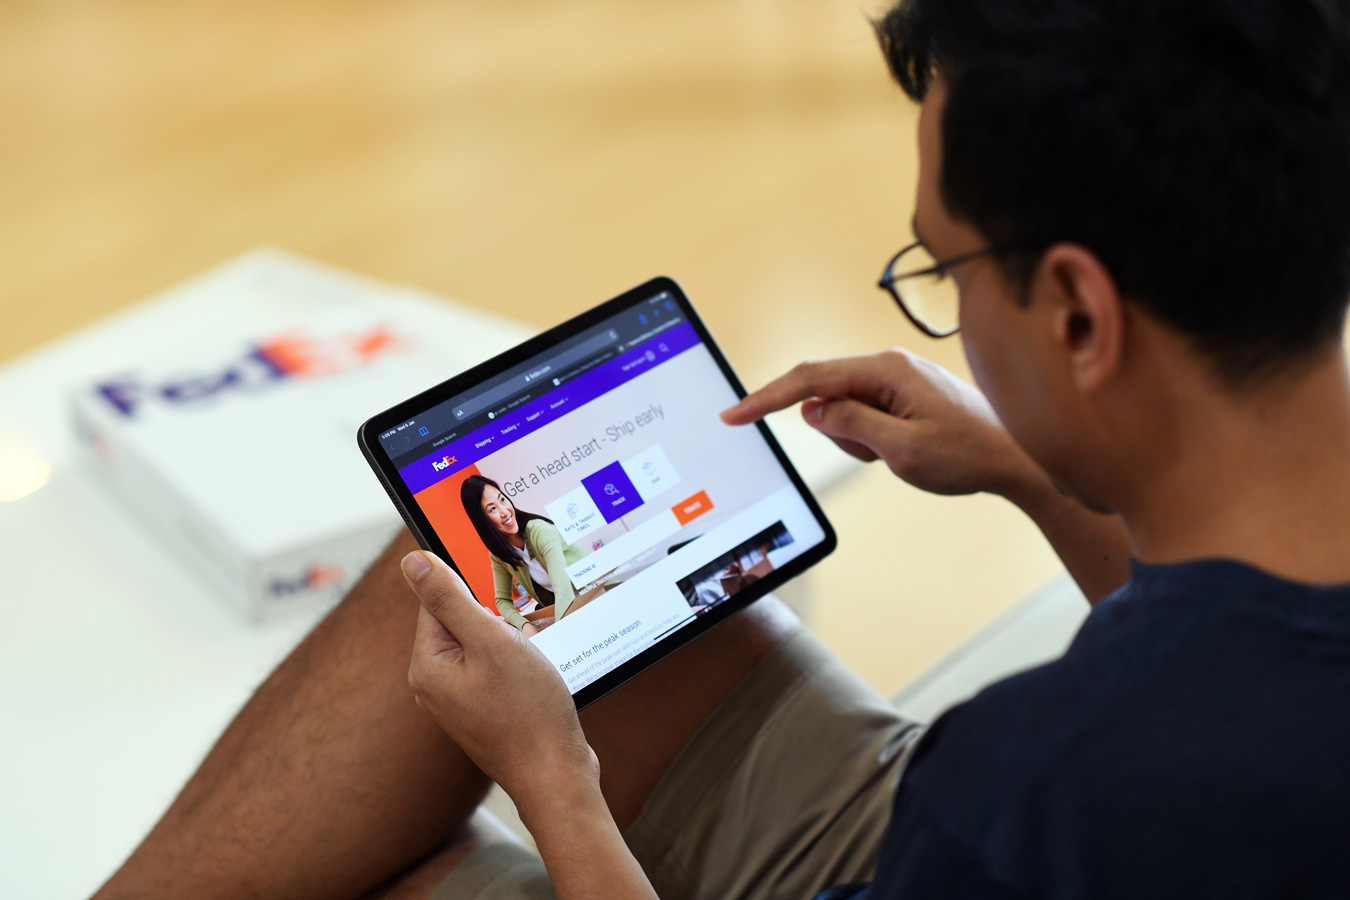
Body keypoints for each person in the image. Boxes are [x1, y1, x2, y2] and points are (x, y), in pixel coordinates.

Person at [90, 0, 1350, 897]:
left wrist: (551, 781)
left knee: (428, 798)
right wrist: (1029, 462)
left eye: (945, 264)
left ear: (1078, 312)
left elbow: (1088, 787)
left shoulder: (1032, 790)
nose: (947, 308)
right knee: (478, 613)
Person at [459, 475, 587, 633]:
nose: (504, 511)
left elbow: (565, 594)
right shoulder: (499, 554)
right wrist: (524, 625)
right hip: (569, 611)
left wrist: (558, 634)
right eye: (492, 509)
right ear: (483, 520)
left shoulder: (539, 531)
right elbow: (502, 601)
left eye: (502, 499)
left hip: (594, 594)